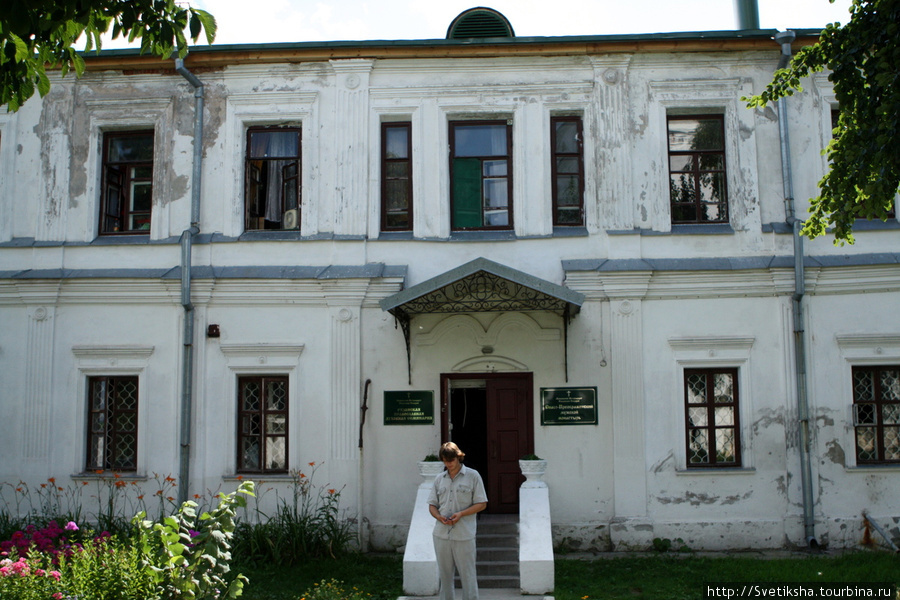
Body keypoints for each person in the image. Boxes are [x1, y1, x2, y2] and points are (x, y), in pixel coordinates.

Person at [427, 441, 488, 600]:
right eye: (445, 461)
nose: (448, 464)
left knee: (468, 575)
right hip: (441, 534)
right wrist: (438, 516)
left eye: (451, 460)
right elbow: (432, 505)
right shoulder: (439, 478)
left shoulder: (473, 476)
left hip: (464, 534)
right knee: (445, 577)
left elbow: (482, 504)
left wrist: (461, 514)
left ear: (458, 457)